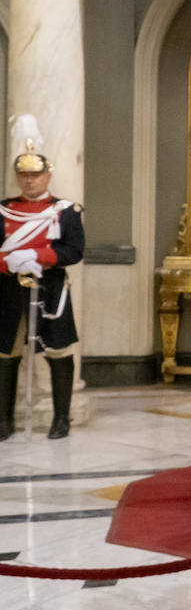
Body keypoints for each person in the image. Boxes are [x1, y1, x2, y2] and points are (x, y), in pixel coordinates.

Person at [0, 115, 84, 440]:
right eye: (24, 174)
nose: (30, 181)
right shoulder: (4, 209)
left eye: (35, 174)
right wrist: (11, 263)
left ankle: (61, 418)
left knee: (59, 352)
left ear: (47, 175)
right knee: (5, 355)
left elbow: (74, 250)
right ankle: (3, 421)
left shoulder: (66, 211)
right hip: (9, 289)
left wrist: (39, 257)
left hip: (51, 290)